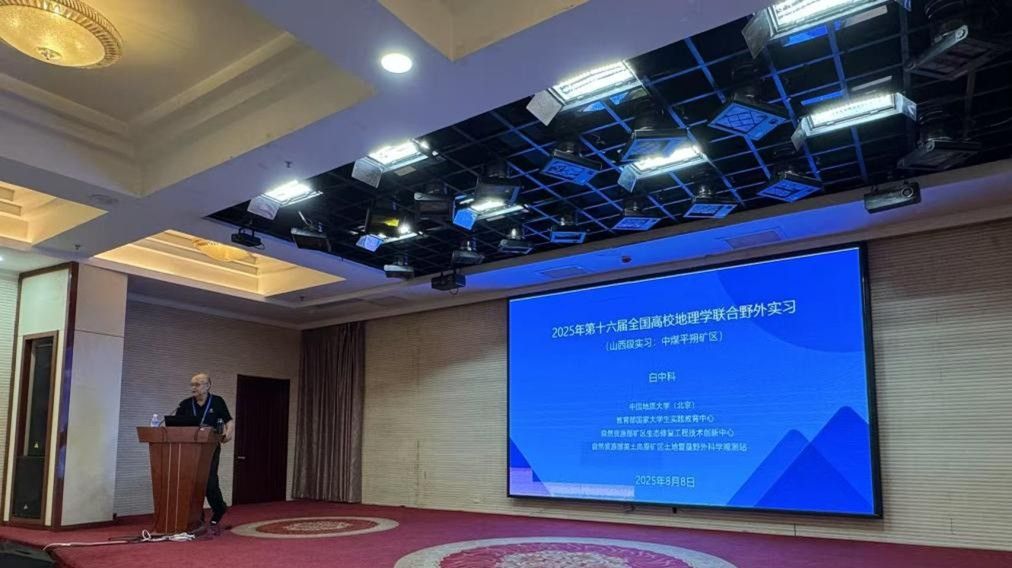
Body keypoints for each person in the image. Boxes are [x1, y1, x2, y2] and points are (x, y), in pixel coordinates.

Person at [174, 372, 234, 531]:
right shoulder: (185, 404)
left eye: (197, 384)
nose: (193, 388)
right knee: (192, 481)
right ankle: (196, 514)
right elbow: (174, 425)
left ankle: (219, 508)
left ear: (208, 386)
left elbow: (229, 421)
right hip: (189, 449)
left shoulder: (217, 401)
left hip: (210, 447)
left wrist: (228, 434)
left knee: (209, 480)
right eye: (192, 384)